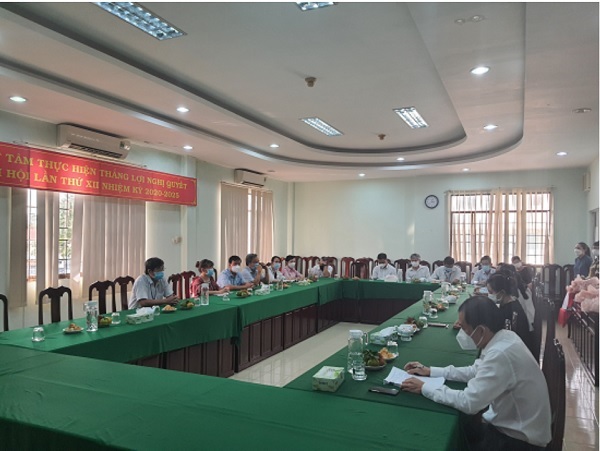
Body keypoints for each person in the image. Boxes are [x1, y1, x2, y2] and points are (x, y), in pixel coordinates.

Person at [401, 296, 551, 450]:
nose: (462, 333)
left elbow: (469, 403)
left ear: (481, 330)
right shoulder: (503, 337)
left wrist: (425, 388)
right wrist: (431, 371)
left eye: (464, 328)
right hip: (513, 426)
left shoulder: (500, 354)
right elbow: (475, 371)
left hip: (518, 441)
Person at [486, 272, 535, 357]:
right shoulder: (512, 302)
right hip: (519, 349)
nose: (489, 295)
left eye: (490, 292)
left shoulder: (509, 311)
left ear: (501, 292)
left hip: (516, 354)